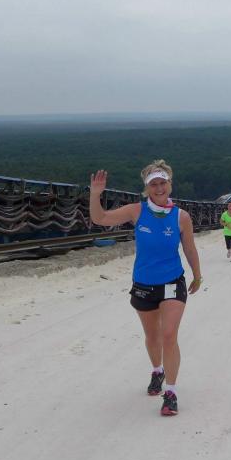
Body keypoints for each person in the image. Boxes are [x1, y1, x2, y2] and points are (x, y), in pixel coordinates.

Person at [89, 160, 201, 417]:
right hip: (144, 284)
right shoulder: (137, 211)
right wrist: (95, 195)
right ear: (147, 187)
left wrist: (197, 275)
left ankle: (170, 392)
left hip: (172, 282)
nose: (159, 188)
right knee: (152, 336)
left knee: (169, 335)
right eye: (154, 184)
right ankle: (157, 371)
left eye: (163, 183)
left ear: (170, 184)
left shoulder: (181, 217)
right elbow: (100, 218)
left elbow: (189, 248)